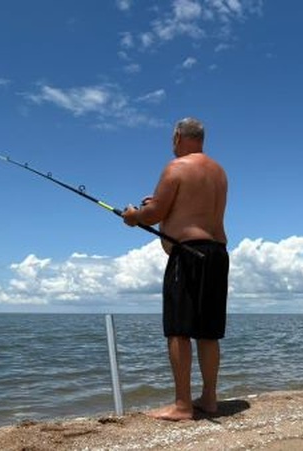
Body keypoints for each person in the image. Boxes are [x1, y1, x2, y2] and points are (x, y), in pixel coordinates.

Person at [122, 117, 229, 421]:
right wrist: (153, 205)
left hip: (188, 255)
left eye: (172, 138)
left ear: (178, 136)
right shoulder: (219, 172)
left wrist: (134, 215)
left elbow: (154, 214)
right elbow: (192, 207)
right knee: (208, 332)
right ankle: (209, 399)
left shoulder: (176, 167)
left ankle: (183, 405)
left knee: (179, 331)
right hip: (217, 253)